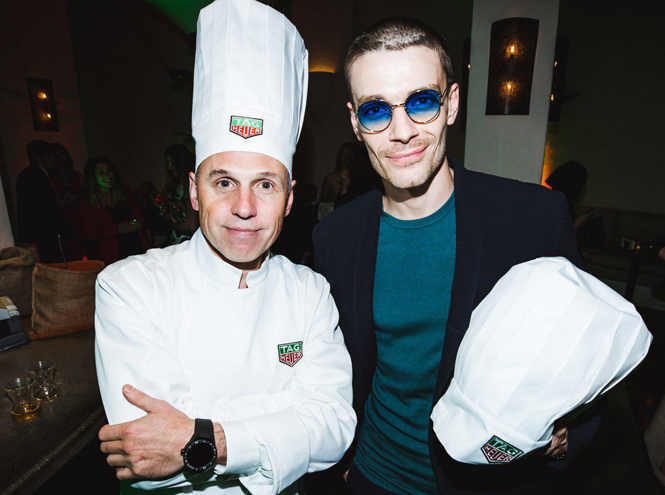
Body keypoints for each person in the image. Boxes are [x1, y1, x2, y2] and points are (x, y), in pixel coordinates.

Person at [312, 17, 601, 495]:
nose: (401, 132)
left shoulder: (532, 218)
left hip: (491, 483)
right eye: (376, 110)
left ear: (452, 104)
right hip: (373, 476)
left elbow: (589, 346)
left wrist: (568, 434)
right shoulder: (335, 237)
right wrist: (345, 465)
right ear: (355, 122)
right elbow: (334, 365)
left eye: (422, 102)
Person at [94, 1, 355, 494]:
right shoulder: (128, 287)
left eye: (265, 185)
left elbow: (335, 429)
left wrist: (203, 438)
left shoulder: (310, 292)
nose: (244, 208)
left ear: (290, 198)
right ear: (195, 192)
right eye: (224, 182)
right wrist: (285, 417)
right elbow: (146, 459)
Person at [80, 156, 148, 265]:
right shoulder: (88, 203)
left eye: (109, 171)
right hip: (112, 257)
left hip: (136, 250)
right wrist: (117, 229)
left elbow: (139, 216)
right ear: (93, 177)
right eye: (101, 172)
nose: (107, 175)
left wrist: (137, 223)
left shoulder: (124, 193)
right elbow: (88, 234)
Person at [15, 140, 67, 262]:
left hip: (44, 233)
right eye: (49, 157)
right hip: (42, 234)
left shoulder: (41, 175)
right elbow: (34, 209)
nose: (53, 160)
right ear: (38, 158)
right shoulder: (32, 176)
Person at [160, 144, 199, 246]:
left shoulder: (191, 186)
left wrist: (174, 224)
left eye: (172, 163)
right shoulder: (174, 184)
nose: (169, 167)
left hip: (190, 243)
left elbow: (191, 225)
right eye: (168, 164)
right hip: (175, 240)